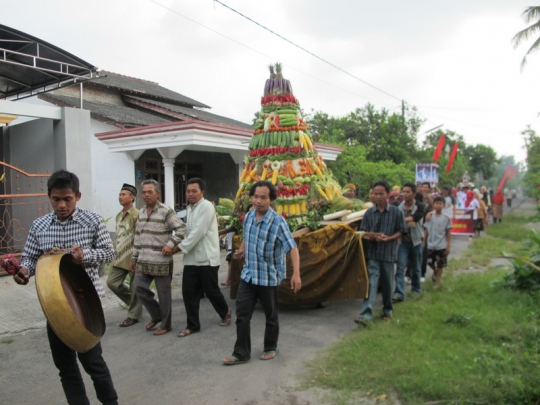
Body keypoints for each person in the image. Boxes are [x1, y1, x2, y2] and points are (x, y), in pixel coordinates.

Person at [14, 170, 118, 405]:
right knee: (65, 366)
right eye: (56, 199)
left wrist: (84, 256)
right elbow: (29, 258)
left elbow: (109, 253)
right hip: (54, 307)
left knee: (93, 363)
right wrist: (24, 271)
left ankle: (111, 402)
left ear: (78, 196)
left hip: (85, 304)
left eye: (67, 199)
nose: (61, 205)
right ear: (49, 196)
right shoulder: (39, 226)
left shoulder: (92, 221)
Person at [222, 181, 301, 365]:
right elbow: (247, 236)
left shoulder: (278, 222)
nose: (258, 201)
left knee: (270, 316)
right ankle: (241, 353)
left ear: (271, 200)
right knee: (242, 315)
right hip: (249, 275)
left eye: (263, 197)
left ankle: (271, 346)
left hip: (268, 277)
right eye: (255, 196)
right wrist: (242, 250)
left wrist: (296, 274)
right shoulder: (249, 216)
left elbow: (292, 248)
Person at [174, 178, 231, 338]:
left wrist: (178, 248)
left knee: (211, 290)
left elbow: (198, 232)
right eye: (188, 191)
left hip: (206, 257)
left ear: (202, 192)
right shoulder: (190, 208)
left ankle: (225, 311)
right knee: (188, 292)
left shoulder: (206, 206)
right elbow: (188, 230)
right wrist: (175, 241)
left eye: (194, 191)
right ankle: (193, 325)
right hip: (191, 259)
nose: (190, 194)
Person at [131, 179, 186, 336]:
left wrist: (170, 244)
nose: (146, 195)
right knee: (139, 288)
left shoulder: (165, 211)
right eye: (144, 192)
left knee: (164, 294)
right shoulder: (141, 212)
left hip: (161, 260)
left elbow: (181, 228)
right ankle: (157, 315)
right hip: (143, 259)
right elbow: (137, 236)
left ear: (157, 193)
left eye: (150, 192)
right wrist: (134, 257)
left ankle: (166, 324)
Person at [355, 180, 406, 323]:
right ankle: (365, 314)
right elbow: (362, 232)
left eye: (381, 194)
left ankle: (387, 310)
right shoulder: (369, 213)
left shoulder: (395, 212)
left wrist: (389, 238)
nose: (378, 197)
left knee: (388, 285)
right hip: (373, 254)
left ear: (387, 194)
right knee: (371, 283)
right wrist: (371, 235)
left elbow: (401, 230)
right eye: (375, 194)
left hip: (388, 254)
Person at [106, 183, 143, 327]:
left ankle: (133, 315)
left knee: (135, 287)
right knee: (112, 282)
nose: (120, 197)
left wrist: (137, 256)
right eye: (120, 194)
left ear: (132, 197)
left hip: (134, 256)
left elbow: (139, 237)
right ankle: (136, 304)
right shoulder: (118, 216)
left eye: (123, 195)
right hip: (120, 257)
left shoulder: (137, 215)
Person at [393, 182, 425, 302]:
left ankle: (416, 289)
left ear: (414, 193)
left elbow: (416, 217)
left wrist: (401, 220)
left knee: (416, 267)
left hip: (416, 241)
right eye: (404, 192)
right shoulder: (400, 207)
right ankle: (399, 292)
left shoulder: (420, 206)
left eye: (408, 192)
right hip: (403, 242)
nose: (405, 194)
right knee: (400, 267)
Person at [424, 196, 452, 288]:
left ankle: (437, 283)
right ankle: (435, 271)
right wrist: (424, 241)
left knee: (441, 264)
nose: (438, 205)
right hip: (431, 245)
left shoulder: (446, 218)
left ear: (443, 205)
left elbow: (448, 233)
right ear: (434, 205)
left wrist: (448, 245)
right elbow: (426, 230)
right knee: (429, 262)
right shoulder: (429, 217)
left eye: (440, 203)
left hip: (441, 245)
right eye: (437, 203)